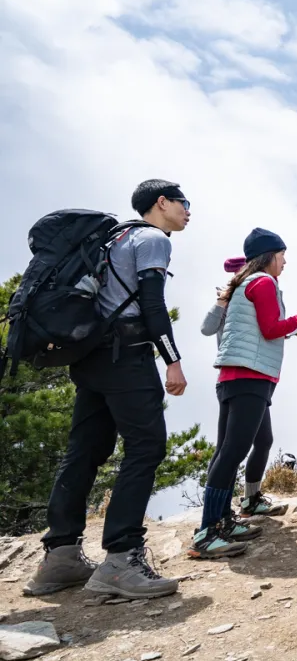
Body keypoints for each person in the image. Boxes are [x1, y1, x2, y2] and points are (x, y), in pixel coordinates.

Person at [25, 180, 190, 599]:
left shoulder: (114, 237)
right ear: (162, 203)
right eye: (184, 203)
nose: (188, 211)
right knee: (146, 446)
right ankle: (121, 557)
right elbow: (152, 304)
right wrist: (172, 358)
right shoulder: (153, 239)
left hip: (90, 355)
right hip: (127, 355)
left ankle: (60, 557)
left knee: (84, 450)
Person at [189, 229, 297, 560]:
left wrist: (293, 325)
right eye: (282, 255)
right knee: (233, 451)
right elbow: (270, 328)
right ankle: (208, 532)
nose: (285, 261)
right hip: (249, 377)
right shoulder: (263, 282)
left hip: (238, 377)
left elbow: (260, 330)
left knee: (239, 445)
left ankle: (223, 521)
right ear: (269, 256)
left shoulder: (243, 285)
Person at [197, 257, 294, 535]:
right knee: (230, 450)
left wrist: (295, 327)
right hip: (240, 376)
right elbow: (206, 328)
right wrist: (220, 303)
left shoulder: (257, 291)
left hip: (254, 375)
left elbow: (269, 330)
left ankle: (248, 501)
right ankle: (213, 524)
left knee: (262, 440)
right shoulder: (238, 294)